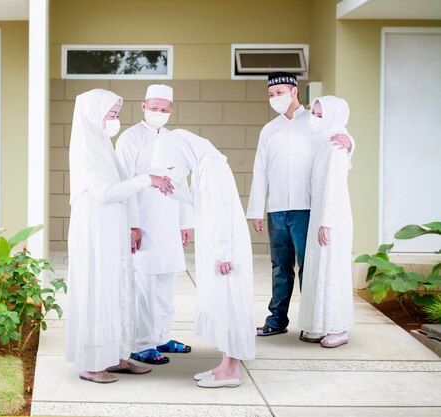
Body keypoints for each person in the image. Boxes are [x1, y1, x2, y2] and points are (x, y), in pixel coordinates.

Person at [65, 88, 173, 383]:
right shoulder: (85, 147)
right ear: (93, 115)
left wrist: (128, 227)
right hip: (95, 233)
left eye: (116, 115)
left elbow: (119, 191)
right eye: (110, 115)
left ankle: (116, 358)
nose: (115, 120)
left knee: (119, 290)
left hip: (112, 230)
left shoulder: (103, 145)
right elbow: (102, 193)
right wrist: (147, 180)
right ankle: (91, 362)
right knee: (99, 292)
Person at [247, 72, 354, 337]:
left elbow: (340, 138)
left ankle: (314, 322)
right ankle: (276, 320)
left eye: (280, 92)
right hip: (277, 210)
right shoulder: (269, 129)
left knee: (310, 266)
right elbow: (260, 170)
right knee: (280, 267)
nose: (275, 98)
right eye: (271, 95)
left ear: (294, 91)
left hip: (307, 209)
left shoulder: (315, 121)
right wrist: (256, 210)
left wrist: (351, 143)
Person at [151, 129, 255, 388]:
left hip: (224, 248)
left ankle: (231, 371)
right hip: (216, 245)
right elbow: (200, 200)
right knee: (221, 303)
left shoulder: (212, 165)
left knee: (229, 303)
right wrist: (171, 189)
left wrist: (224, 252)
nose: (175, 168)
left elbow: (221, 209)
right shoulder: (203, 164)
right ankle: (224, 365)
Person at [115, 84, 193, 366]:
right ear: (143, 106)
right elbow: (124, 183)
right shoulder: (130, 138)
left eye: (164, 109)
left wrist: (186, 222)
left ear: (170, 110)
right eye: (154, 108)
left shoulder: (175, 140)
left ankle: (161, 336)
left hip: (170, 222)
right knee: (145, 283)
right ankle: (141, 343)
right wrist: (131, 224)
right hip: (143, 222)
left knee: (166, 282)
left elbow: (182, 180)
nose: (158, 113)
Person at [298, 96, 354, 348]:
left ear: (333, 117)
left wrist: (326, 221)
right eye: (314, 113)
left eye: (320, 115)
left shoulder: (336, 147)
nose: (314, 118)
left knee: (333, 271)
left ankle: (338, 328)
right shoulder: (325, 144)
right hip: (321, 217)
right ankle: (321, 324)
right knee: (318, 269)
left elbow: (335, 187)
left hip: (332, 219)